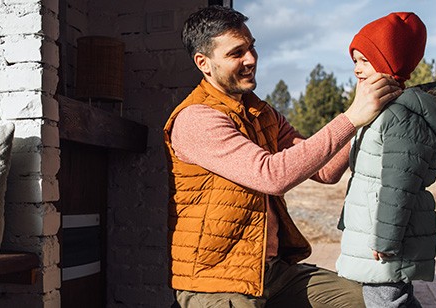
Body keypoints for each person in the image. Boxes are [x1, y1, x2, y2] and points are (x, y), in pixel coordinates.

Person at [162, 5, 403, 308]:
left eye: (251, 48)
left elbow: (326, 170)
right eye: (236, 53)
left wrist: (369, 104)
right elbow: (272, 175)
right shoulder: (196, 119)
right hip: (216, 282)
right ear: (204, 63)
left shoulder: (262, 113)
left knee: (366, 301)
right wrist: (351, 117)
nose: (250, 59)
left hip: (272, 273)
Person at [335, 12, 436, 307]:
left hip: (383, 237)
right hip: (373, 231)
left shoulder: (399, 116)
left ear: (388, 63)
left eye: (365, 61)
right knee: (390, 299)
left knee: (385, 300)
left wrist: (387, 240)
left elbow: (400, 185)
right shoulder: (380, 111)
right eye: (354, 60)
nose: (356, 69)